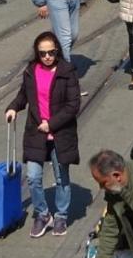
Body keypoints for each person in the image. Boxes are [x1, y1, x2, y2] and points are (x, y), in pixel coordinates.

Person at [5, 31, 81, 238]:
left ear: (57, 51)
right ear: (37, 54)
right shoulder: (31, 71)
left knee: (61, 177)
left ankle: (61, 216)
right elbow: (23, 95)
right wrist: (13, 108)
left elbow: (73, 104)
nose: (47, 57)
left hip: (60, 133)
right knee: (32, 177)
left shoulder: (67, 71)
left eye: (51, 52)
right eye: (42, 53)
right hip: (36, 132)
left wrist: (52, 124)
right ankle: (43, 214)